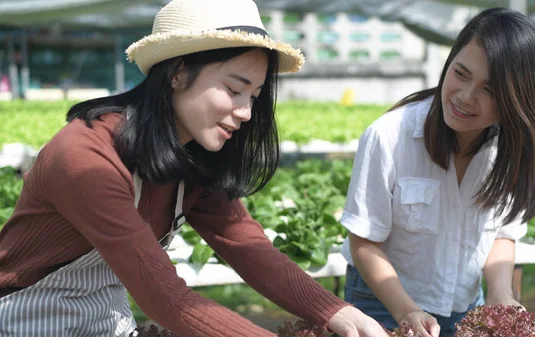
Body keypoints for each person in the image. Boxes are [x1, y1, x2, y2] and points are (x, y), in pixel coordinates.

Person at [0, 1, 389, 336]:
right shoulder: (86, 157)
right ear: (178, 72)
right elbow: (167, 299)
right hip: (23, 321)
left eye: (253, 96)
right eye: (233, 90)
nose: (247, 113)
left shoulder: (193, 158)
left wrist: (339, 312)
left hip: (102, 322)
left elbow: (250, 249)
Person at [339, 7, 535, 337]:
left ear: (518, 99)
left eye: (490, 90)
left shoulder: (510, 150)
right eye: (461, 73)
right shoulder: (389, 136)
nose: (466, 97)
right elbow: (364, 241)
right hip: (382, 303)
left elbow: (501, 234)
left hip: (466, 305)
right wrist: (406, 311)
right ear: (449, 61)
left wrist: (499, 295)